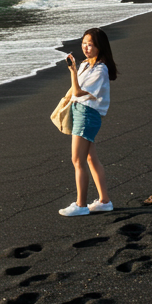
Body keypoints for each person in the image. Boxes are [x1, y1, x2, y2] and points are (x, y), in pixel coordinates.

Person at [58, 27, 117, 216]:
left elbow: (77, 92)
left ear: (100, 47)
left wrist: (73, 71)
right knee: (90, 158)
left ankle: (81, 205)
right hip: (80, 111)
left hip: (88, 114)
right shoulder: (85, 64)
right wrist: (77, 68)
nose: (86, 47)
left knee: (77, 160)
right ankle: (104, 201)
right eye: (84, 43)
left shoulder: (100, 69)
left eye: (90, 44)